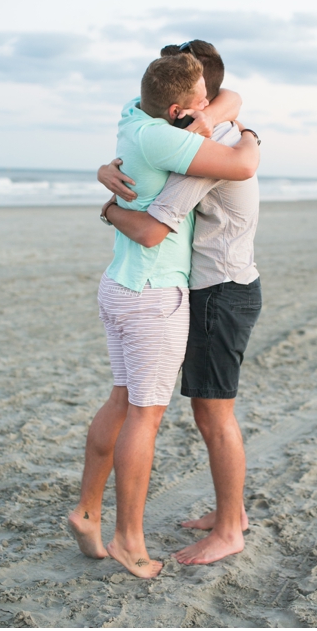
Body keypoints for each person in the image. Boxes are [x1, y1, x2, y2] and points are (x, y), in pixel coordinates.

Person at [67, 51, 260, 579]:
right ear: (181, 108)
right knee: (150, 414)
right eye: (201, 102)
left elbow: (234, 127)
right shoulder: (186, 147)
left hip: (183, 288)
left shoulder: (139, 121)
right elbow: (156, 228)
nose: (206, 108)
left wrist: (107, 201)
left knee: (172, 408)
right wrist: (240, 129)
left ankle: (223, 523)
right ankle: (131, 536)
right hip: (158, 292)